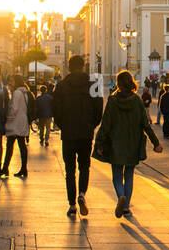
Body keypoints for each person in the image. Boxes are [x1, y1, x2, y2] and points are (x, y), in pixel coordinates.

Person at [94, 68, 163, 217]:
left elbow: (105, 124)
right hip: (133, 144)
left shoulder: (112, 101)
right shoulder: (137, 101)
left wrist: (99, 144)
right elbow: (146, 124)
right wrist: (156, 143)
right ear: (131, 83)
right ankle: (125, 207)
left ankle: (121, 197)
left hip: (115, 145)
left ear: (118, 84)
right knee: (130, 175)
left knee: (117, 175)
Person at [53, 54, 104, 217]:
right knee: (84, 166)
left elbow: (56, 111)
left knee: (70, 170)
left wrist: (64, 126)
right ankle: (82, 194)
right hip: (86, 133)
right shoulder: (94, 84)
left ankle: (72, 204)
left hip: (68, 133)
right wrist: (91, 125)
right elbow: (98, 110)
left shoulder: (61, 85)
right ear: (83, 67)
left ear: (68, 67)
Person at [2, 74, 34, 178]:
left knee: (10, 146)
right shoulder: (25, 92)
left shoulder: (16, 93)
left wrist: (8, 118)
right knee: (22, 145)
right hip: (23, 121)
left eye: (12, 81)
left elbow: (14, 108)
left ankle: (5, 168)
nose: (10, 83)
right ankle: (24, 168)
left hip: (15, 122)